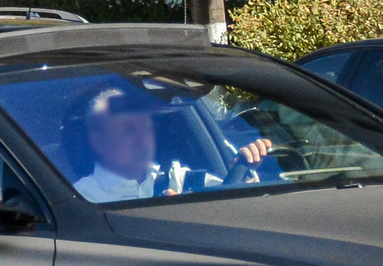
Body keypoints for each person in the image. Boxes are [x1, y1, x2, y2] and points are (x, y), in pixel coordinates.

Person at [72, 84, 274, 203]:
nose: (141, 137)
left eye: (144, 125)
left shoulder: (180, 178)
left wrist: (245, 172)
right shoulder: (81, 198)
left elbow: (231, 205)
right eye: (127, 130)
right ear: (98, 142)